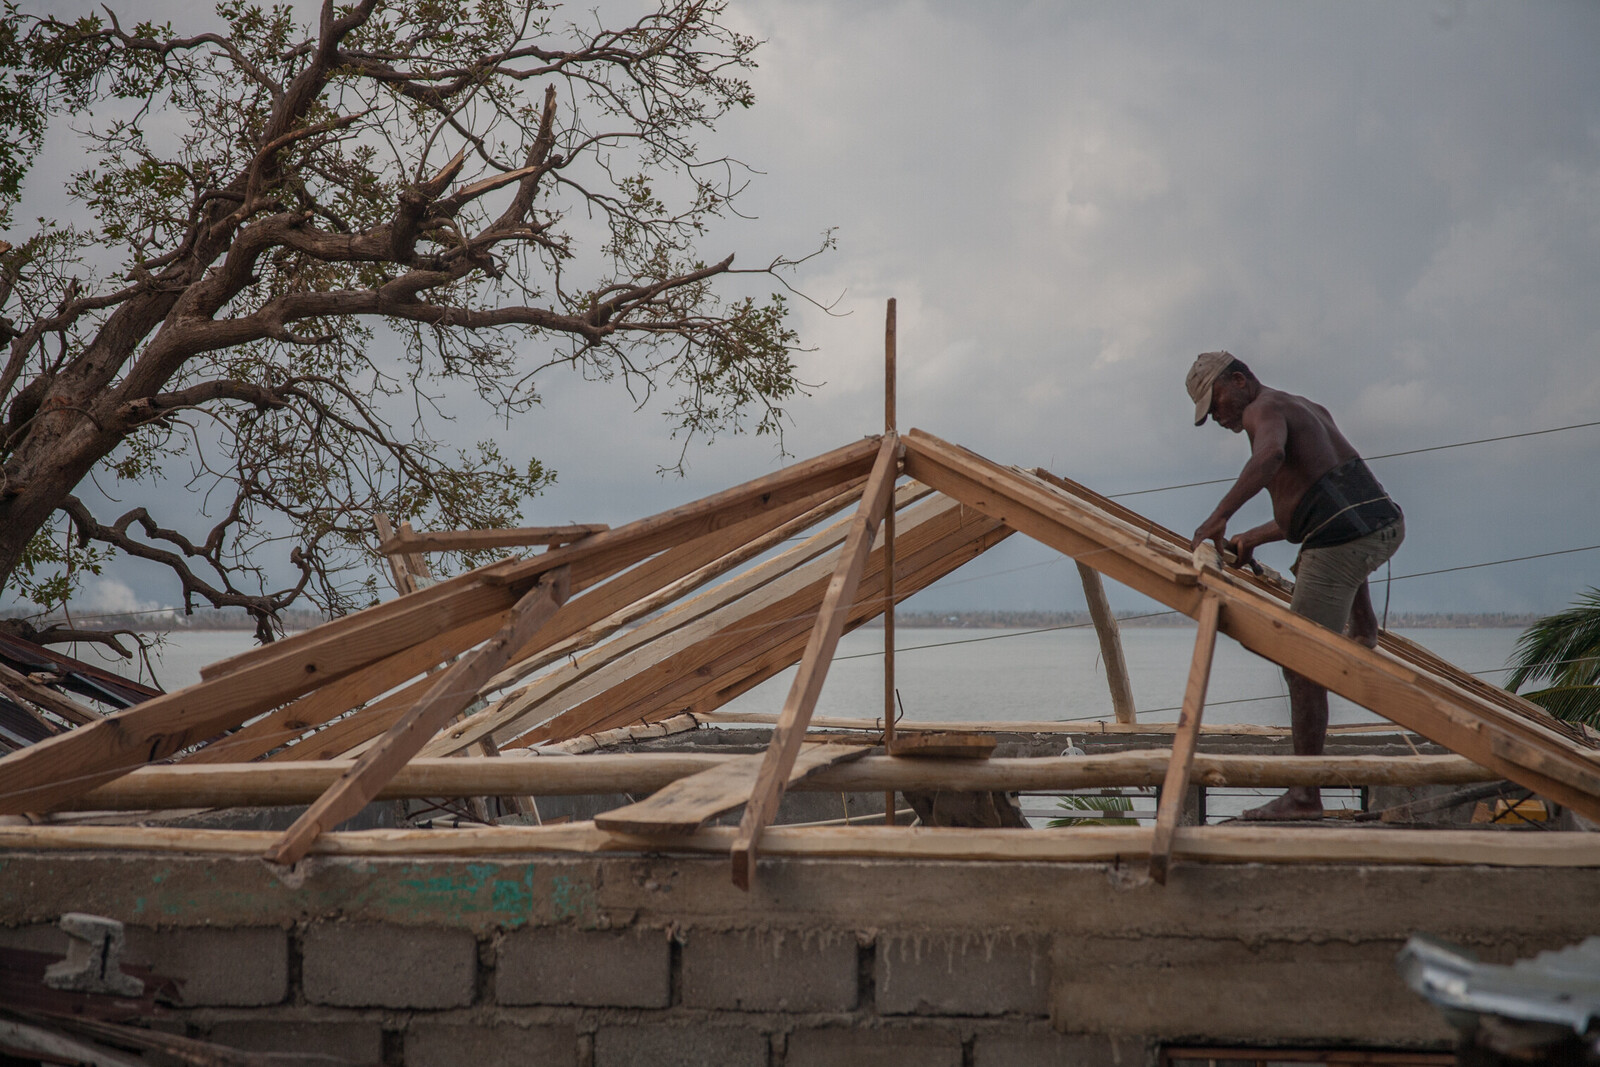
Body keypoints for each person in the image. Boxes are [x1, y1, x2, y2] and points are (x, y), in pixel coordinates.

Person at [1185, 351, 1405, 820]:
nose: (1220, 417)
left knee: (1299, 662)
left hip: (1346, 539)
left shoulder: (1261, 411)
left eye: (1216, 403)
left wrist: (1221, 516)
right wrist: (1251, 536)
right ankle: (1363, 630)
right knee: (1316, 561)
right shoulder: (1301, 407)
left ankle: (1304, 796)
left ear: (1240, 381)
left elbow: (1271, 457)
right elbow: (1313, 506)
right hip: (1373, 524)